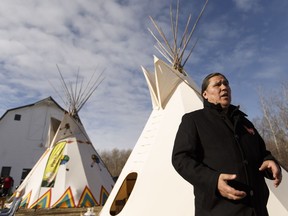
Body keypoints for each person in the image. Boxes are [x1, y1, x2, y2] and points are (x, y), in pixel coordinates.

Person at [172, 72, 282, 216]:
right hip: (219, 210)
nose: (224, 87)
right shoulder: (194, 120)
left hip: (258, 209)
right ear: (205, 94)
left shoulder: (245, 123)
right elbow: (181, 159)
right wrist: (213, 180)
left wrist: (270, 161)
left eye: (226, 83)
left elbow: (262, 152)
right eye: (217, 84)